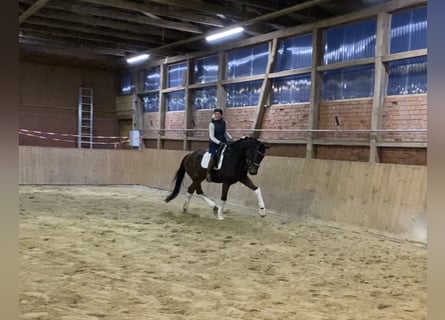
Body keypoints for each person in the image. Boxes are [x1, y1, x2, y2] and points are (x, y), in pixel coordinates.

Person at [206, 108, 232, 182]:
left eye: (218, 114)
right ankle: (208, 173)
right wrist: (219, 143)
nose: (217, 115)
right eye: (216, 114)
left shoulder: (223, 122)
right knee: (214, 155)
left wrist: (230, 138)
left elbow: (225, 132)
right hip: (215, 143)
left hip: (223, 141)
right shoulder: (211, 124)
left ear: (221, 115)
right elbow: (211, 136)